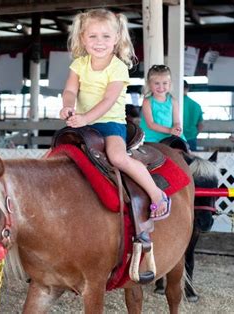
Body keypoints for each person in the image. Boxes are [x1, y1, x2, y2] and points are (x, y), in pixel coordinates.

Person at [59, 8, 170, 221]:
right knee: (59, 155)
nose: (99, 42)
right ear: (83, 38)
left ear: (116, 38)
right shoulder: (79, 64)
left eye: (106, 36)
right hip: (81, 123)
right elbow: (70, 90)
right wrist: (67, 106)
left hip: (110, 123)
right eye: (92, 36)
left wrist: (85, 118)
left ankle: (157, 194)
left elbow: (108, 100)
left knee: (117, 157)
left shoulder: (117, 67)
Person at [139, 65, 186, 143]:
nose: (161, 87)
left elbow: (176, 121)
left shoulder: (173, 101)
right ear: (150, 84)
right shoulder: (147, 102)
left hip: (170, 136)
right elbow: (151, 124)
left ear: (169, 84)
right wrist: (170, 130)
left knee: (186, 150)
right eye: (157, 83)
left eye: (165, 83)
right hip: (151, 137)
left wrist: (177, 128)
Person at [182, 80, 204, 151]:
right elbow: (201, 125)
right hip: (191, 137)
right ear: (187, 89)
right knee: (191, 160)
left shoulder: (173, 103)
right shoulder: (196, 105)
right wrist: (193, 135)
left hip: (176, 138)